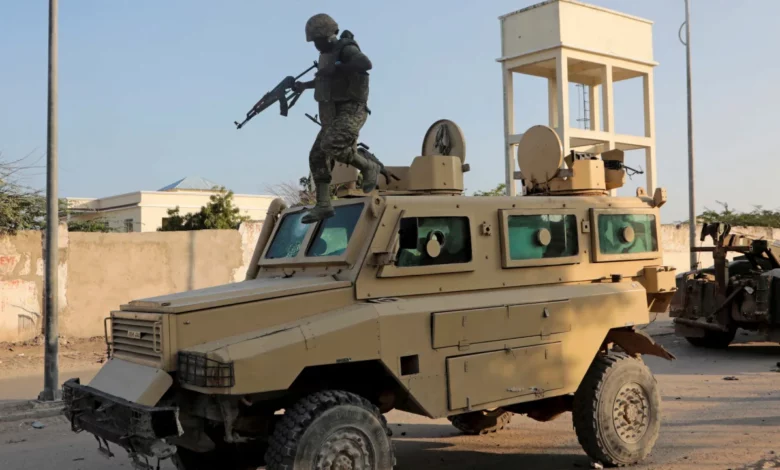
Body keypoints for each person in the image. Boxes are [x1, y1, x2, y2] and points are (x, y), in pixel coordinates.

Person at [294, 13, 380, 224]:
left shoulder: (346, 49)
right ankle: (324, 205)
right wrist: (304, 86)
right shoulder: (327, 55)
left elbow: (366, 64)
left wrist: (338, 67)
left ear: (326, 35)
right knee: (317, 156)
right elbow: (327, 79)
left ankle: (368, 166)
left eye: (317, 41)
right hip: (333, 115)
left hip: (352, 110)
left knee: (331, 144)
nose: (315, 45)